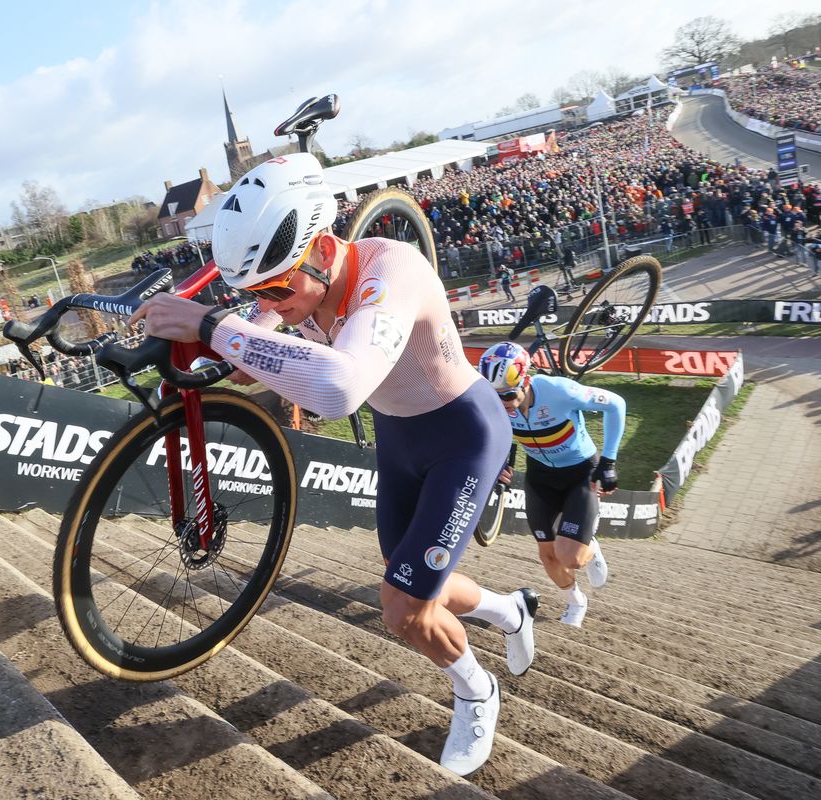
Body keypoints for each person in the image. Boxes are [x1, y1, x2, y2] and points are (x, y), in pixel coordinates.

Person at [130, 152, 535, 776]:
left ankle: (476, 691)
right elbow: (255, 352)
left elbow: (340, 389)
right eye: (253, 291)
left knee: (403, 609)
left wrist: (216, 324)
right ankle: (509, 610)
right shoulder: (297, 281)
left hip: (464, 437)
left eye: (273, 286)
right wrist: (201, 334)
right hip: (400, 437)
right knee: (405, 571)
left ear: (321, 248)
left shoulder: (389, 274)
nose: (267, 301)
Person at [477, 342, 623, 629]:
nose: (502, 403)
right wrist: (500, 462)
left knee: (571, 558)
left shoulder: (559, 390)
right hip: (540, 476)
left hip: (581, 472)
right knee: (547, 554)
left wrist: (608, 462)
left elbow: (616, 405)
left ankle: (590, 548)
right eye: (495, 397)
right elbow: (495, 429)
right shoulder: (497, 400)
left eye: (508, 394)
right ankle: (576, 601)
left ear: (526, 381)